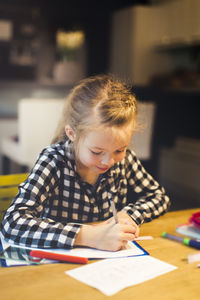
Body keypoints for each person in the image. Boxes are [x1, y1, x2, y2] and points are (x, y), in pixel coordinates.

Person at [1, 74, 170, 251]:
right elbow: (13, 223)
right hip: (57, 265)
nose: (109, 161)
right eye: (96, 151)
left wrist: (129, 214)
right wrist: (89, 236)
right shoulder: (54, 161)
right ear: (72, 134)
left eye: (119, 150)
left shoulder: (125, 160)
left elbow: (159, 197)